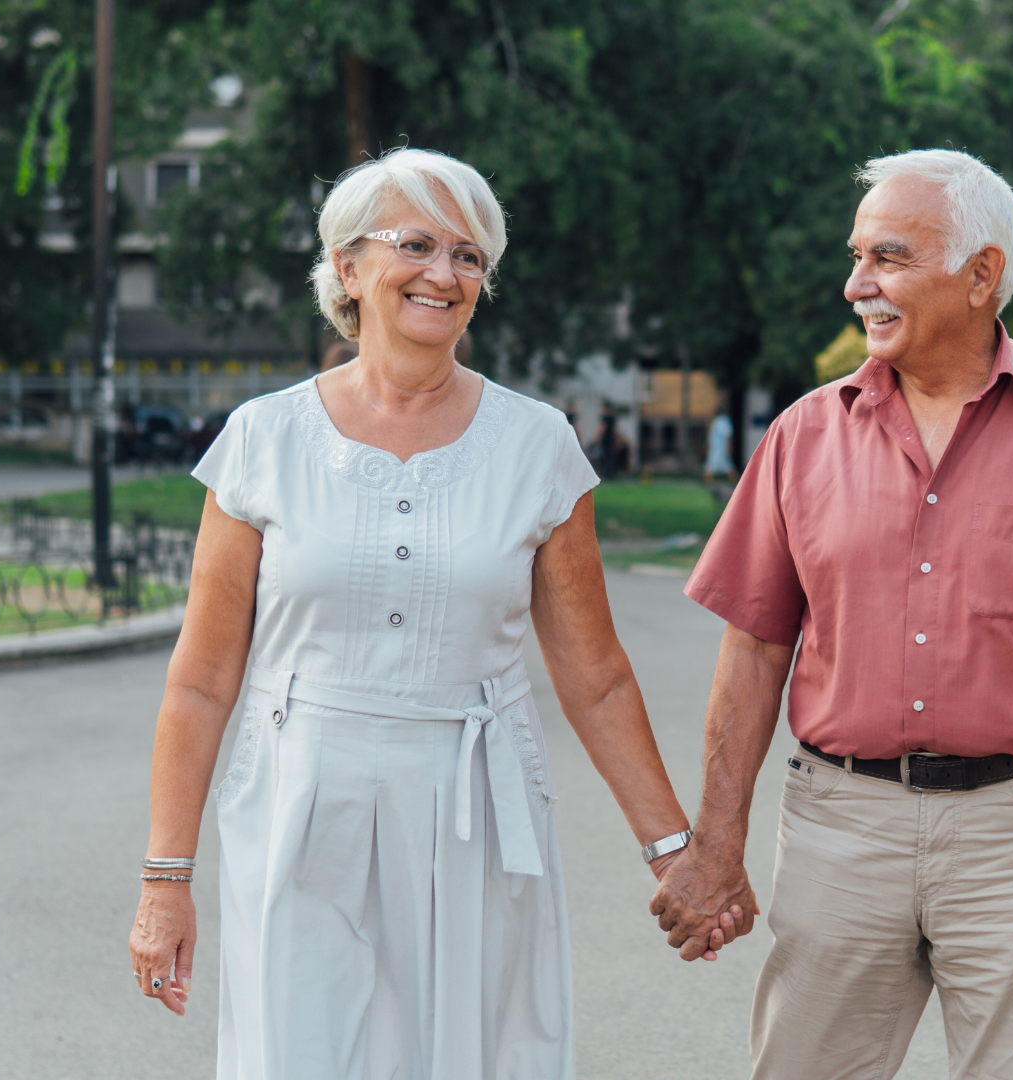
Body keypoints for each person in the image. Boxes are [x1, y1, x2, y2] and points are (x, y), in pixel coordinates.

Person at [126, 148, 713, 1079]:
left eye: (469, 255)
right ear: (348, 269)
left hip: (479, 812)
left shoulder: (538, 444)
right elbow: (201, 682)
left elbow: (594, 678)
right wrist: (166, 882)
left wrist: (676, 850)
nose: (444, 273)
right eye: (417, 244)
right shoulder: (263, 440)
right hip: (299, 807)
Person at [651, 149, 1013, 1079]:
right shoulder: (804, 435)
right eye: (856, 257)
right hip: (842, 825)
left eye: (887, 258)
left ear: (982, 275)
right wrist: (717, 842)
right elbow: (756, 648)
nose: (856, 285)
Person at [702, 404, 737, 483]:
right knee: (726, 466)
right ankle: (707, 482)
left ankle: (706, 482)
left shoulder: (722, 421)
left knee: (714, 466)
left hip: (720, 449)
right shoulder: (716, 421)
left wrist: (729, 447)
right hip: (715, 449)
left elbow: (727, 435)